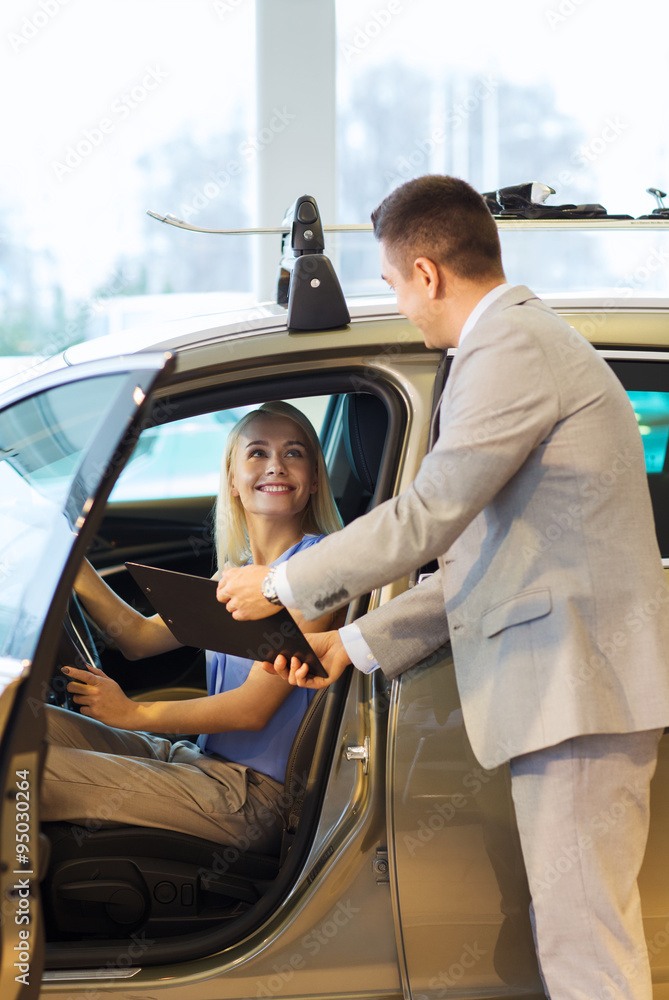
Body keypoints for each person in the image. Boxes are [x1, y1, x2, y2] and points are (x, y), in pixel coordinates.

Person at [216, 176, 669, 1000]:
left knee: (585, 947)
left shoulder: (511, 350)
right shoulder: (510, 349)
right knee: (574, 936)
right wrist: (345, 644)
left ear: (425, 274)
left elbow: (427, 516)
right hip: (570, 689)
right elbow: (477, 560)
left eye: (391, 283)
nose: (400, 303)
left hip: (578, 688)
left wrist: (282, 583)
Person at [41, 400, 343, 854]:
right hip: (200, 762)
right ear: (233, 481)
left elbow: (251, 710)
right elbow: (137, 639)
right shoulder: (234, 577)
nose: (276, 466)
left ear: (315, 478)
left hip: (250, 797)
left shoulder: (317, 571)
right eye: (257, 453)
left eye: (294, 453)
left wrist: (132, 714)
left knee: (23, 771)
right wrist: (67, 555)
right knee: (24, 725)